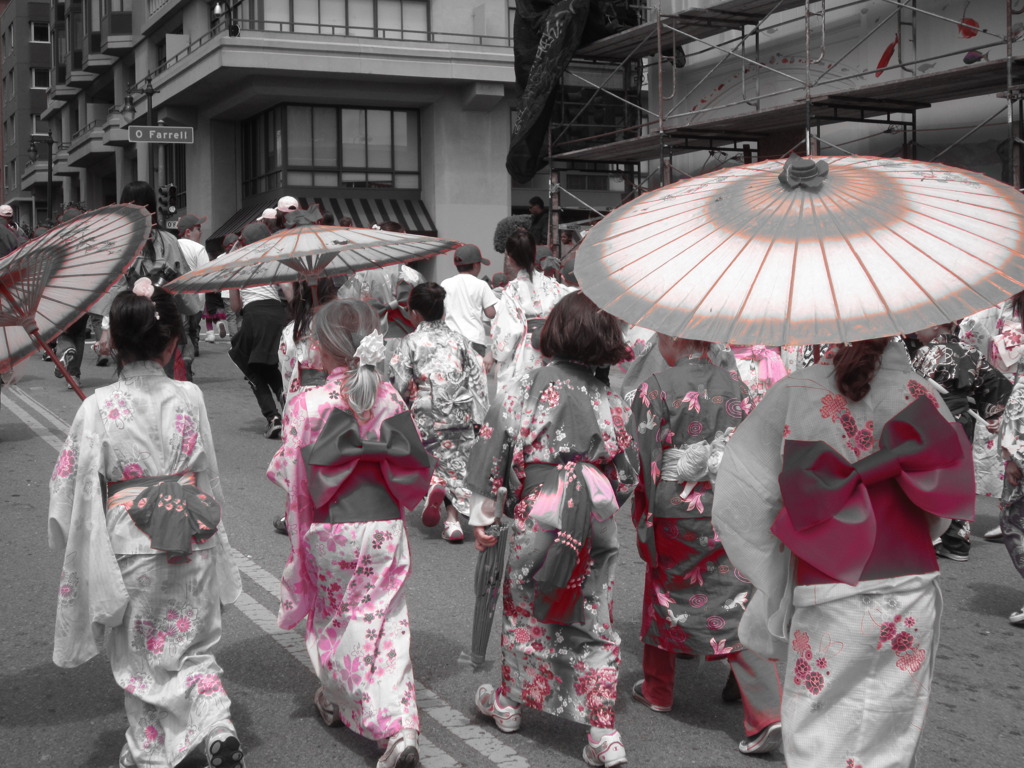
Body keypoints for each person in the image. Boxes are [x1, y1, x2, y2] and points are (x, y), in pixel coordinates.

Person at [714, 337, 974, 768]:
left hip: (828, 579)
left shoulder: (798, 391)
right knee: (891, 732)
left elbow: (741, 498)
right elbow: (941, 508)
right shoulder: (921, 393)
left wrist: (781, 559)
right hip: (910, 583)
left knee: (820, 732)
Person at [48, 280, 245, 768]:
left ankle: (150, 753)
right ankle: (216, 725)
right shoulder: (190, 395)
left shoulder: (97, 406)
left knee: (141, 658)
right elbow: (208, 473)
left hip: (133, 545)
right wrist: (216, 538)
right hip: (190, 533)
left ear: (112, 342)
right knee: (194, 646)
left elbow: (69, 484)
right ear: (173, 341)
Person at [468, 292, 638, 768]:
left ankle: (508, 702)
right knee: (593, 615)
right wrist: (594, 499)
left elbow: (493, 448)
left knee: (528, 609)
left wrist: (483, 516)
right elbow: (626, 473)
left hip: (540, 512)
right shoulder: (610, 398)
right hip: (594, 518)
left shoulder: (528, 386)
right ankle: (603, 734)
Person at [267, 298, 432, 768]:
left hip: (332, 523)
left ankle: (349, 703)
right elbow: (408, 460)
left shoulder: (306, 403)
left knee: (338, 618)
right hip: (383, 523)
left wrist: (298, 541)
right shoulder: (390, 397)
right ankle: (399, 728)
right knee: (388, 619)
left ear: (323, 348)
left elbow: (298, 483)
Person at [629, 334, 783, 755]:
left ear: (676, 338)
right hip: (729, 505)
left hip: (676, 509)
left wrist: (643, 511)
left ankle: (659, 690)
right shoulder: (737, 386)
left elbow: (642, 457)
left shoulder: (655, 386)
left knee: (664, 590)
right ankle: (766, 711)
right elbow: (756, 450)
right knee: (736, 597)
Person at [390, 282, 488, 542]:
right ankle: (453, 523)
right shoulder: (459, 340)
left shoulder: (410, 341)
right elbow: (477, 377)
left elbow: (399, 381)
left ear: (415, 313)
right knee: (457, 466)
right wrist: (479, 416)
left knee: (427, 460)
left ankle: (433, 484)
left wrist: (397, 406)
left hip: (427, 410)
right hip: (460, 409)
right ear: (443, 311)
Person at [911, 321, 1011, 561]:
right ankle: (957, 542)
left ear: (936, 326)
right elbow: (998, 385)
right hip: (961, 420)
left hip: (929, 419)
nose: (915, 330)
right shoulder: (971, 351)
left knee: (924, 476)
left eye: (921, 325)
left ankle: (922, 536)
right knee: (957, 476)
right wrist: (994, 415)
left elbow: (910, 390)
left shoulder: (923, 354)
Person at [95, 181, 192, 382]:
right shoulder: (168, 241)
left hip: (129, 319)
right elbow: (184, 284)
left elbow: (113, 290)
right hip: (162, 318)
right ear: (152, 207)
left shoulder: (117, 243)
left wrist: (106, 329)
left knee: (131, 379)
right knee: (167, 379)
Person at [490, 229, 574, 404]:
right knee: (549, 405)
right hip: (551, 352)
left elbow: (507, 334)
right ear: (534, 253)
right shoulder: (554, 287)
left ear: (510, 258)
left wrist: (498, 353)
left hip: (523, 355)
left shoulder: (512, 291)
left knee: (520, 406)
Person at [228, 222, 289, 439]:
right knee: (271, 364)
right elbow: (289, 293)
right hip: (277, 314)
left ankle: (273, 417)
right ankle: (288, 403)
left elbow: (235, 307)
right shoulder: (274, 260)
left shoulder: (236, 264)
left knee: (249, 364)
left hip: (253, 316)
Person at [440, 244, 498, 362]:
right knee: (474, 377)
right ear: (476, 265)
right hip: (474, 340)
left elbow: (441, 313)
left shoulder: (445, 283)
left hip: (451, 340)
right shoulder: (481, 285)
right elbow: (491, 313)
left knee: (454, 376)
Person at [177, 213, 211, 359]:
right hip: (195, 297)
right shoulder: (198, 248)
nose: (201, 232)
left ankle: (183, 355)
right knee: (192, 328)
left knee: (182, 329)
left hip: (177, 296)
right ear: (188, 232)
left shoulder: (173, 245)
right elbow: (206, 275)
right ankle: (191, 350)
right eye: (198, 228)